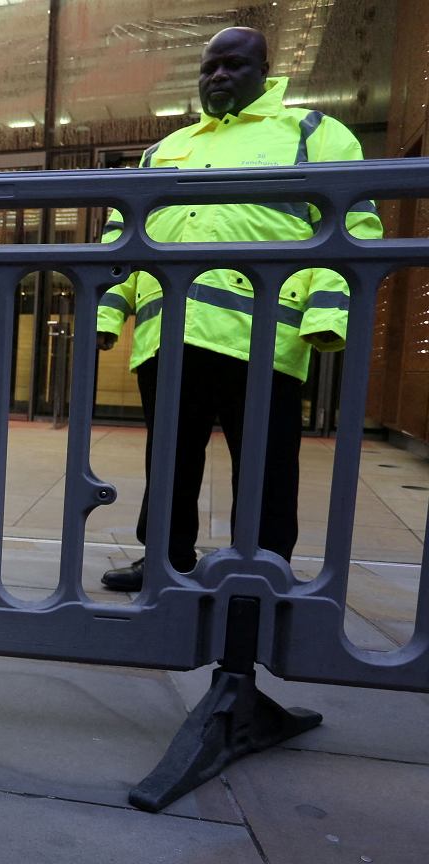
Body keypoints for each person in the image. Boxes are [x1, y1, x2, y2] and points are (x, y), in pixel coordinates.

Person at [95, 27, 383, 593]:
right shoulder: (165, 150)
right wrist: (108, 312)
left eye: (233, 65)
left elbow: (352, 225)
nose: (218, 76)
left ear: (265, 71)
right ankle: (163, 560)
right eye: (209, 68)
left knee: (267, 464)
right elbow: (122, 235)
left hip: (263, 336)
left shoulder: (312, 132)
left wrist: (326, 315)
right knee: (170, 460)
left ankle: (263, 565)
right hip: (171, 333)